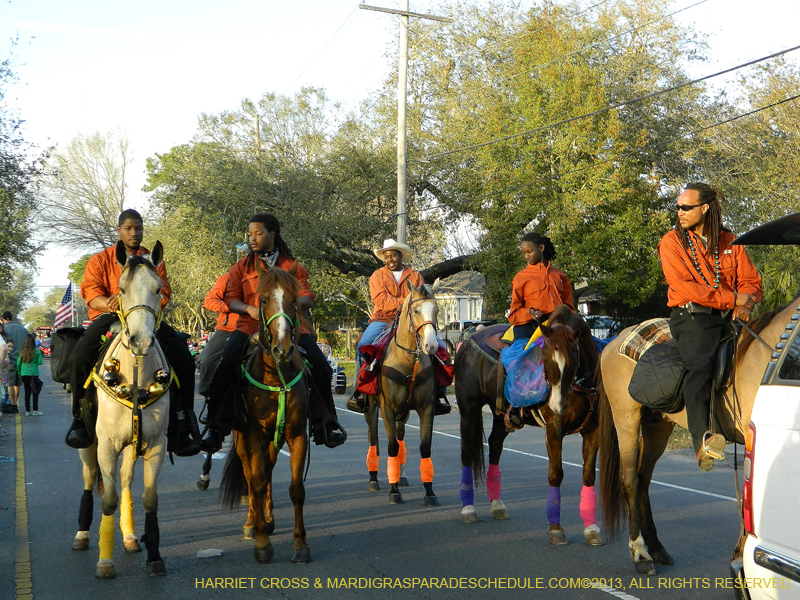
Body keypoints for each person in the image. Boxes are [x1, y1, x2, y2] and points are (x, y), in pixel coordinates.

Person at [200, 213, 346, 452]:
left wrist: (293, 305)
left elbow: (307, 295)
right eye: (250, 234)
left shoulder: (293, 267)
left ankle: (326, 423)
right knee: (225, 365)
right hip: (249, 325)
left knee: (321, 367)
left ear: (272, 234)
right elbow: (231, 299)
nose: (252, 238)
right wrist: (249, 309)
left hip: (290, 325)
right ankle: (215, 427)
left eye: (258, 233)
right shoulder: (241, 267)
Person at [65, 209, 201, 455]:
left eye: (138, 228)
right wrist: (113, 302)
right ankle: (81, 420)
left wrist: (145, 302)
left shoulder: (153, 259)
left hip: (147, 316)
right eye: (128, 228)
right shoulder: (100, 260)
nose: (134, 232)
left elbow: (164, 291)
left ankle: (183, 423)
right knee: (78, 358)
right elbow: (91, 294)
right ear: (119, 231)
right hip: (109, 316)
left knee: (184, 359)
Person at [658, 183, 762, 472]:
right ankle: (702, 441)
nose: (679, 212)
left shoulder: (729, 241)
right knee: (700, 366)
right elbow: (685, 288)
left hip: (729, 316)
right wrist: (733, 299)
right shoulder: (671, 242)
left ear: (704, 208)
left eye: (685, 207)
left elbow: (750, 280)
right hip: (693, 317)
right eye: (678, 207)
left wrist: (745, 304)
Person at [346, 238, 451, 415]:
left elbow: (423, 299)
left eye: (393, 255)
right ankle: (360, 392)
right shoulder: (377, 276)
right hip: (382, 319)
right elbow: (381, 301)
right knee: (363, 346)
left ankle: (439, 394)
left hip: (412, 320)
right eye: (386, 256)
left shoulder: (415, 276)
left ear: (400, 256)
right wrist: (408, 302)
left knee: (439, 350)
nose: (390, 259)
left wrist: (414, 306)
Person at [507, 232, 596, 383]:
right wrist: (530, 313)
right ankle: (521, 390)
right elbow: (514, 312)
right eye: (524, 253)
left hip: (559, 324)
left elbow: (569, 307)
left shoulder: (559, 275)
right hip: (531, 325)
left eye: (530, 251)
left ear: (541, 248)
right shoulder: (520, 277)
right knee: (521, 359)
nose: (526, 256)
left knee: (589, 348)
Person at [197, 272, 239, 410]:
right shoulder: (227, 278)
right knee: (207, 361)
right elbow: (209, 301)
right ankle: (209, 398)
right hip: (226, 329)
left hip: (257, 329)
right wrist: (230, 306)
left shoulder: (267, 277)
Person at [1, 311, 29, 414]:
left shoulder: (4, 329)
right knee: (17, 384)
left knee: (10, 384)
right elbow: (30, 337)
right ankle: (15, 403)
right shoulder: (21, 328)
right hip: (20, 360)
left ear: (2, 319)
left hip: (9, 360)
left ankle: (12, 405)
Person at [17, 333, 43, 416]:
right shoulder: (36, 351)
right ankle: (35, 410)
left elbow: (18, 364)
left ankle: (27, 411)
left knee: (27, 392)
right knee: (35, 392)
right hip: (33, 374)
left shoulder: (22, 351)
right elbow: (40, 362)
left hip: (24, 374)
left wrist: (19, 373)